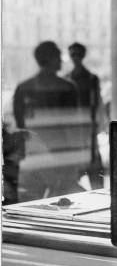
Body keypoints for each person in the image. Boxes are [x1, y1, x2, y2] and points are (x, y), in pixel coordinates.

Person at [12, 41, 80, 199]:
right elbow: (72, 126)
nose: (61, 61)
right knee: (62, 205)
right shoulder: (67, 87)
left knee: (30, 207)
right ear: (49, 59)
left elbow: (21, 126)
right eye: (58, 56)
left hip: (33, 154)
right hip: (61, 156)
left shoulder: (23, 88)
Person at [66, 42, 104, 186]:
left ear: (83, 56)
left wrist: (96, 124)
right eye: (72, 54)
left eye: (78, 54)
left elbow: (96, 102)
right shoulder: (66, 78)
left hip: (88, 124)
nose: (75, 57)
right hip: (73, 126)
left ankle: (97, 189)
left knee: (93, 159)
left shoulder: (91, 78)